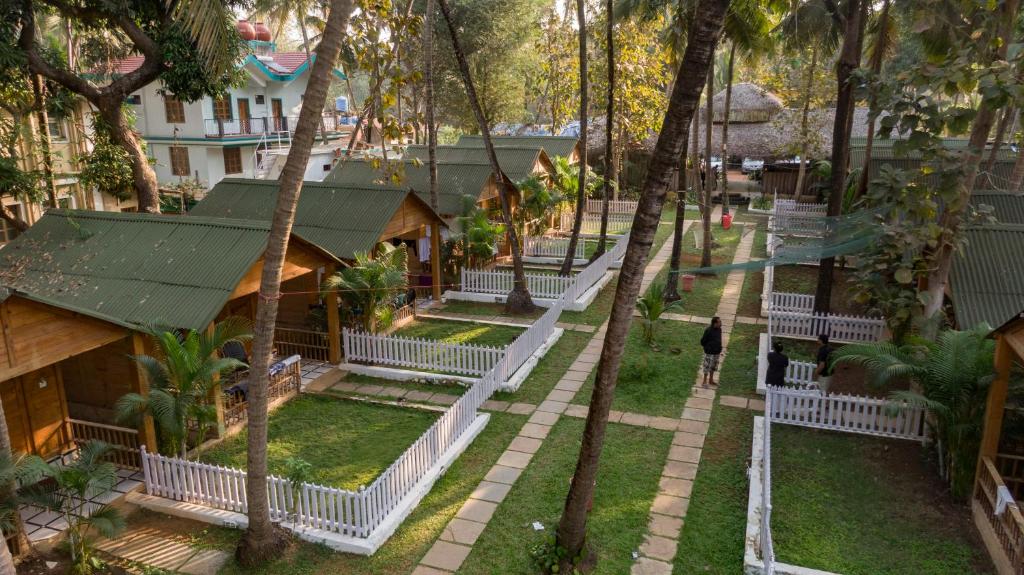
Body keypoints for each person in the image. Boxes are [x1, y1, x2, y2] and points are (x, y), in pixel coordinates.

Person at [700, 317, 723, 388]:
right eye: (719, 322)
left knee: (714, 366)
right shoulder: (708, 330)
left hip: (717, 352)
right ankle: (704, 382)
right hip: (709, 352)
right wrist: (707, 348)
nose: (721, 323)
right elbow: (702, 341)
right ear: (715, 323)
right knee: (707, 366)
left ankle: (711, 380)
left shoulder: (719, 329)